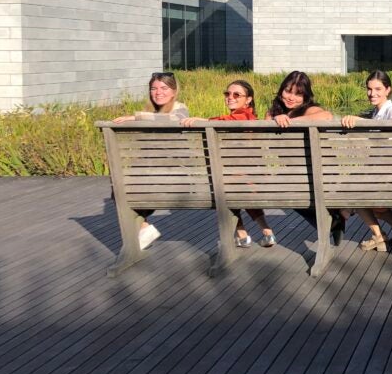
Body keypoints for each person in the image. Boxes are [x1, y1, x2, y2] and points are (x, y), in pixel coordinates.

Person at [181, 80, 277, 248]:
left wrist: (202, 120)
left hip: (241, 180)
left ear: (248, 100)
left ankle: (242, 233)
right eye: (227, 94)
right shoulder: (249, 116)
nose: (230, 97)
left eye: (236, 94)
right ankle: (265, 232)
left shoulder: (244, 116)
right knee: (234, 183)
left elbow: (226, 121)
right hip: (251, 181)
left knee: (226, 187)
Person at [113, 72, 191, 249]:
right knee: (121, 187)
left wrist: (136, 117)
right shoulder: (152, 112)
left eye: (164, 88)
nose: (158, 92)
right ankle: (143, 227)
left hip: (174, 176)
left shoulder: (179, 108)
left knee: (123, 188)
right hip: (153, 175)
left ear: (174, 91)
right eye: (154, 88)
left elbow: (175, 119)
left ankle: (142, 229)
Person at [340, 70, 392, 252]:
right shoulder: (377, 112)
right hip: (380, 173)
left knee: (353, 195)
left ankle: (379, 236)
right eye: (369, 89)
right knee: (367, 200)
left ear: (388, 90)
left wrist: (360, 121)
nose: (372, 93)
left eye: (378, 89)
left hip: (390, 176)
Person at [266, 71, 340, 242]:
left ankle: (332, 221)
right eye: (288, 91)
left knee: (286, 189)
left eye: (298, 94)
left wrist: (290, 121)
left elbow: (327, 116)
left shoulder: (309, 110)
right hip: (291, 174)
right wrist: (278, 118)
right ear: (281, 91)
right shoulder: (274, 112)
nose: (291, 97)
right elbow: (268, 119)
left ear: (306, 96)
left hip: (312, 170)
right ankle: (333, 221)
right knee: (283, 188)